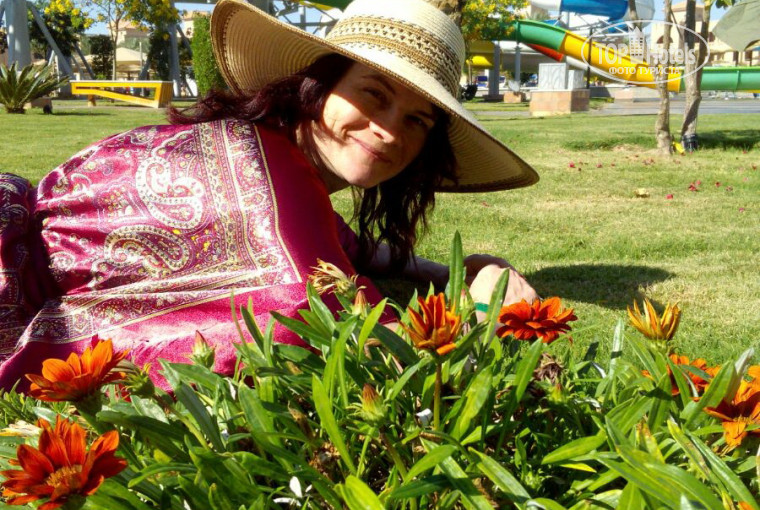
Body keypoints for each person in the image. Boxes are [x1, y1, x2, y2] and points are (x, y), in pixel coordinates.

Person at [0, 0, 539, 390]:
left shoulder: (273, 158)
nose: (390, 130)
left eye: (417, 120)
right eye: (374, 94)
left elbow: (342, 246)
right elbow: (366, 346)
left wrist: (451, 269)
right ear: (318, 85)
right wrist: (483, 307)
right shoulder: (267, 182)